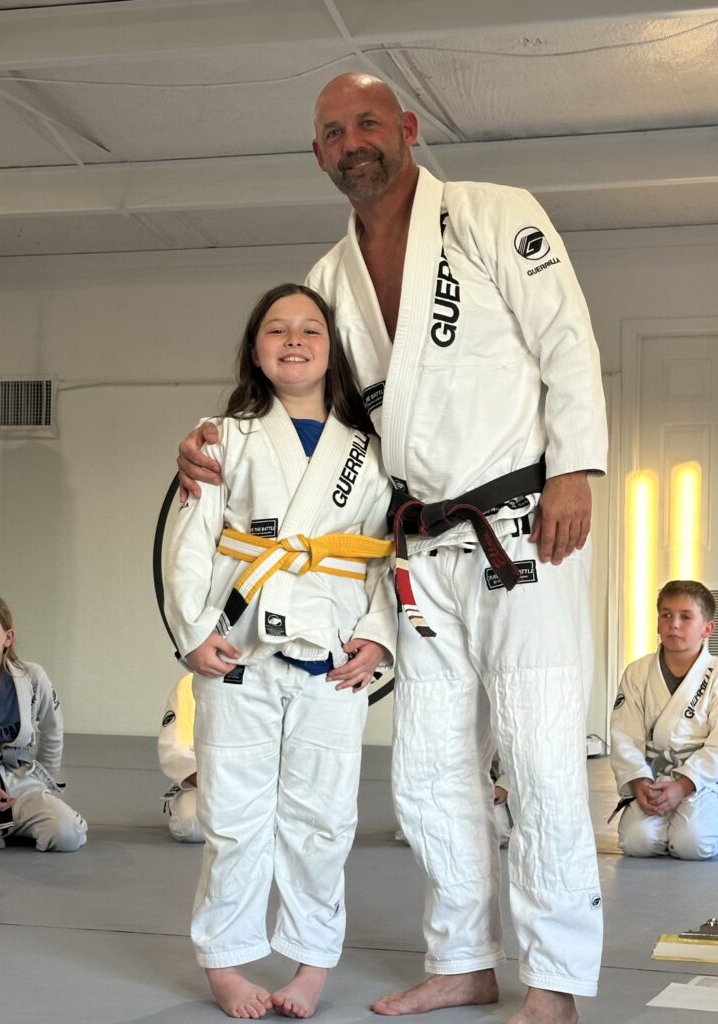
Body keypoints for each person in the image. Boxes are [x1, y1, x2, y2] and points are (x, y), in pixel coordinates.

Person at [178, 74, 608, 1024]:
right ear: (319, 154)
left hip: (523, 526)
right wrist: (209, 441)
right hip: (418, 550)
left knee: (539, 757)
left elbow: (566, 341)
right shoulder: (329, 278)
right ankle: (463, 961)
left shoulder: (494, 215)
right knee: (425, 770)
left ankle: (554, 985)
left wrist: (577, 467)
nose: (352, 142)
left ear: (408, 127)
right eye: (333, 132)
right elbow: (310, 411)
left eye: (367, 122)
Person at [165, 283, 397, 1020]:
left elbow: (388, 555)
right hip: (240, 652)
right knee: (232, 816)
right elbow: (188, 542)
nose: (293, 340)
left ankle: (311, 963)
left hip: (334, 656)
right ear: (254, 348)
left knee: (323, 821)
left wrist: (379, 635)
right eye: (276, 329)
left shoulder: (370, 448)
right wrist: (192, 630)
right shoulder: (221, 436)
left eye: (310, 330)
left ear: (333, 350)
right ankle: (226, 961)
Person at [610, 580, 718, 860]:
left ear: (707, 629)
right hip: (651, 777)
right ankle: (663, 822)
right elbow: (624, 735)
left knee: (692, 844)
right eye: (666, 615)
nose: (674, 624)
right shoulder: (637, 672)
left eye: (686, 616)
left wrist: (682, 786)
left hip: (699, 781)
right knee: (636, 842)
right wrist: (640, 783)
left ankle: (705, 824)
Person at [0, 593, 87, 853]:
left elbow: (52, 730)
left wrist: (46, 783)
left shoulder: (31, 678)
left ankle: (5, 826)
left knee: (67, 833)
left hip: (20, 782)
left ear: (8, 638)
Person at [158, 673, 203, 844]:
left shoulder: (272, 680)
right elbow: (176, 751)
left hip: (261, 784)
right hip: (209, 783)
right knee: (191, 825)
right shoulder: (191, 684)